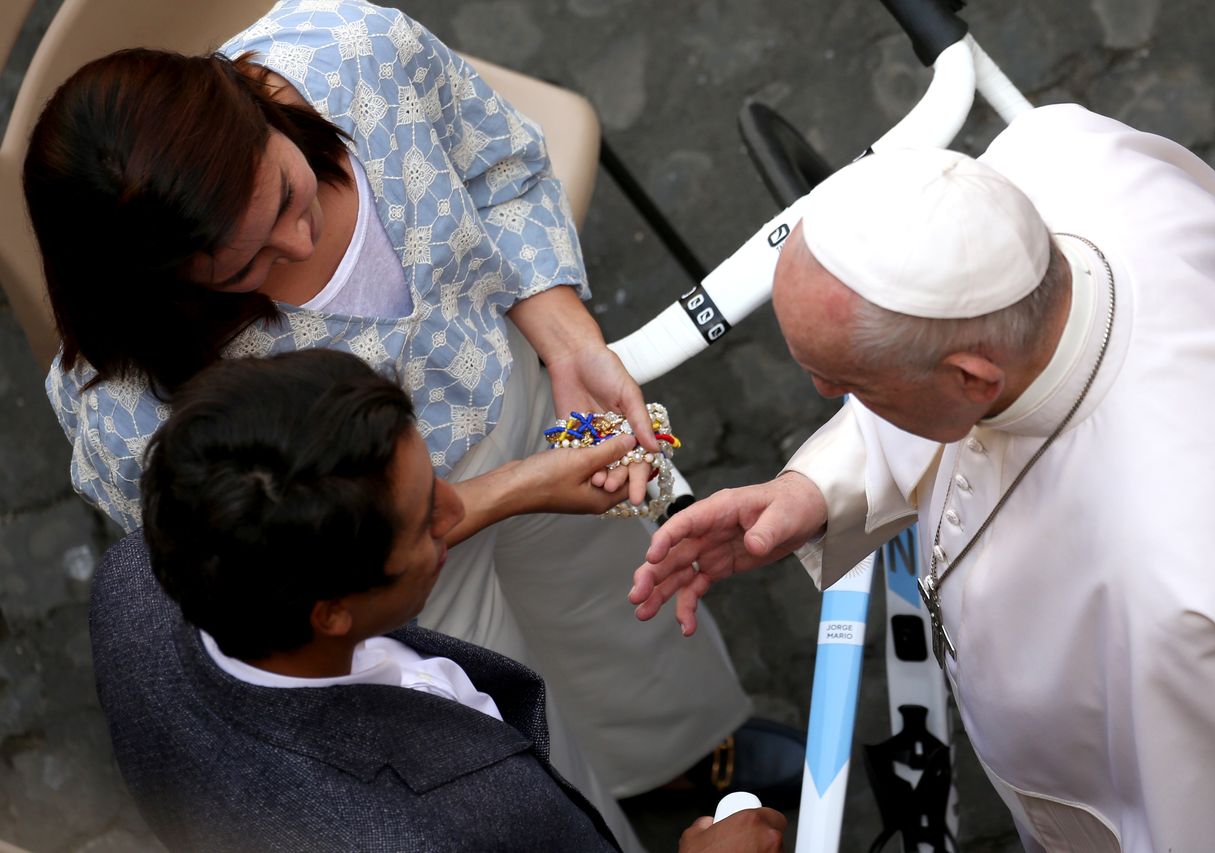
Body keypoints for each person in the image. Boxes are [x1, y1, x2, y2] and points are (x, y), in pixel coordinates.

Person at [23, 0, 804, 844]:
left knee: (619, 604)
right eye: (246, 266)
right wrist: (482, 501)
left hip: (534, 410)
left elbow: (498, 169)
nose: (301, 234)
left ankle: (678, 756)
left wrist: (569, 342)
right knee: (507, 738)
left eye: (288, 189)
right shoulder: (124, 406)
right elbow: (262, 572)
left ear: (251, 99)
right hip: (391, 573)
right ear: (157, 283)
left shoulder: (356, 52)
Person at [628, 103, 1215, 852]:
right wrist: (810, 492)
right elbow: (935, 354)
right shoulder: (1050, 153)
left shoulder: (1185, 599)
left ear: (970, 378)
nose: (823, 400)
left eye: (845, 383)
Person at [90, 348, 787, 853]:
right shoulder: (464, 817)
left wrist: (522, 482)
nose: (460, 507)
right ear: (331, 611)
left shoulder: (132, 583)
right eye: (428, 517)